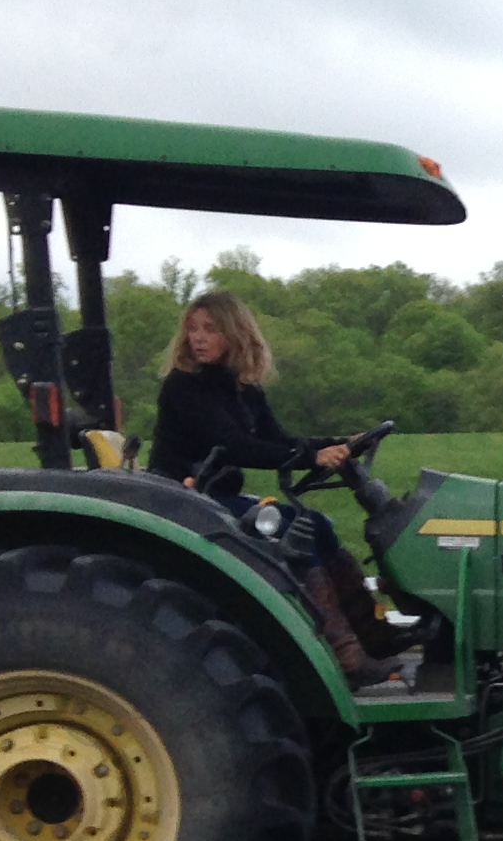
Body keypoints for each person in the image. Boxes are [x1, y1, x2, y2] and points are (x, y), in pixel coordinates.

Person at [147, 291, 408, 691]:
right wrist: (313, 457)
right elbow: (237, 445)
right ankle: (346, 656)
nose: (198, 338)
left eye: (209, 329)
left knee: (318, 524)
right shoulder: (186, 388)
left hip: (217, 496)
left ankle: (377, 636)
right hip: (186, 497)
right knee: (295, 531)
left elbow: (278, 438)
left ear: (235, 334)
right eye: (193, 329)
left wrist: (338, 443)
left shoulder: (244, 389)